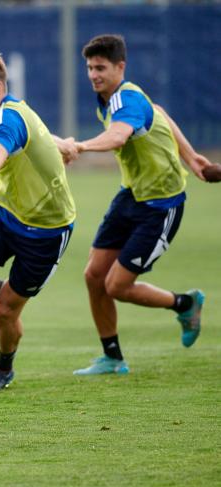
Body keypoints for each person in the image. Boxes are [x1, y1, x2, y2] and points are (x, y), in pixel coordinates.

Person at [73, 34, 210, 375]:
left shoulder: (127, 101)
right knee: (93, 275)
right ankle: (112, 358)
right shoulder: (111, 99)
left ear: (121, 67)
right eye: (90, 67)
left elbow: (118, 136)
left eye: (101, 67)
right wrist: (192, 157)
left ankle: (186, 303)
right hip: (131, 196)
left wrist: (80, 147)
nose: (93, 74)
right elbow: (159, 111)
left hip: (161, 206)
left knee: (116, 286)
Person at [0, 48, 78, 390]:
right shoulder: (14, 110)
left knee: (7, 311)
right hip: (8, 216)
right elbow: (36, 133)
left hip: (47, 232)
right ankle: (1, 290)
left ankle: (3, 367)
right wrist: (60, 145)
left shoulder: (7, 117)